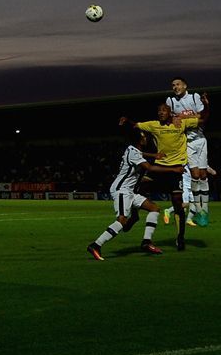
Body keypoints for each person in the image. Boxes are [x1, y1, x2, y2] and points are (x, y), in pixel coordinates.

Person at [88, 129, 165, 260]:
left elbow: (142, 154)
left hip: (130, 191)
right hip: (122, 190)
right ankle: (96, 245)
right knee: (122, 220)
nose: (145, 138)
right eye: (143, 137)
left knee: (154, 208)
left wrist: (154, 155)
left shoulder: (133, 150)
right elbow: (150, 168)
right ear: (139, 140)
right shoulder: (134, 153)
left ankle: (146, 242)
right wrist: (174, 169)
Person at [132, 105, 190, 251]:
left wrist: (205, 106)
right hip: (159, 166)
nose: (160, 113)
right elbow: (135, 125)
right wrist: (126, 121)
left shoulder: (181, 123)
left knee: (177, 202)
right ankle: (134, 216)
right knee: (138, 190)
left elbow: (202, 119)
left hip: (176, 168)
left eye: (163, 110)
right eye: (158, 111)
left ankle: (180, 237)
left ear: (170, 112)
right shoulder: (154, 125)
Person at [166, 78, 211, 226]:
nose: (175, 87)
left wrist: (182, 116)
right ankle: (199, 210)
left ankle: (205, 210)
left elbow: (201, 117)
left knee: (203, 175)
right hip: (187, 142)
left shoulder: (194, 97)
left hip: (200, 139)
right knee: (195, 175)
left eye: (178, 84)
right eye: (173, 85)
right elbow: (169, 119)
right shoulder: (171, 101)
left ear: (185, 86)